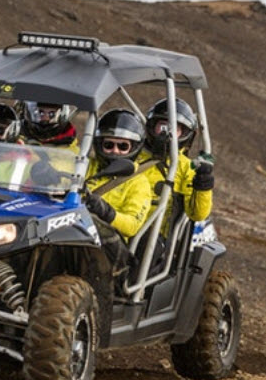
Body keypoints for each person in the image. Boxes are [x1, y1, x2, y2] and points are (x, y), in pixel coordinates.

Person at [82, 109, 153, 277]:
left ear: (134, 148)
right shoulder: (84, 166)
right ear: (99, 145)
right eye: (109, 145)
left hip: (111, 246)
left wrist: (107, 212)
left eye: (122, 146)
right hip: (76, 232)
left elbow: (132, 226)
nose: (115, 151)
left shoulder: (138, 182)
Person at [139, 98, 213, 233]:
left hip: (154, 235)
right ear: (152, 126)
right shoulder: (131, 155)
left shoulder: (187, 168)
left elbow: (197, 214)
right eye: (163, 126)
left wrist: (203, 187)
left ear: (184, 134)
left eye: (174, 129)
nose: (167, 133)